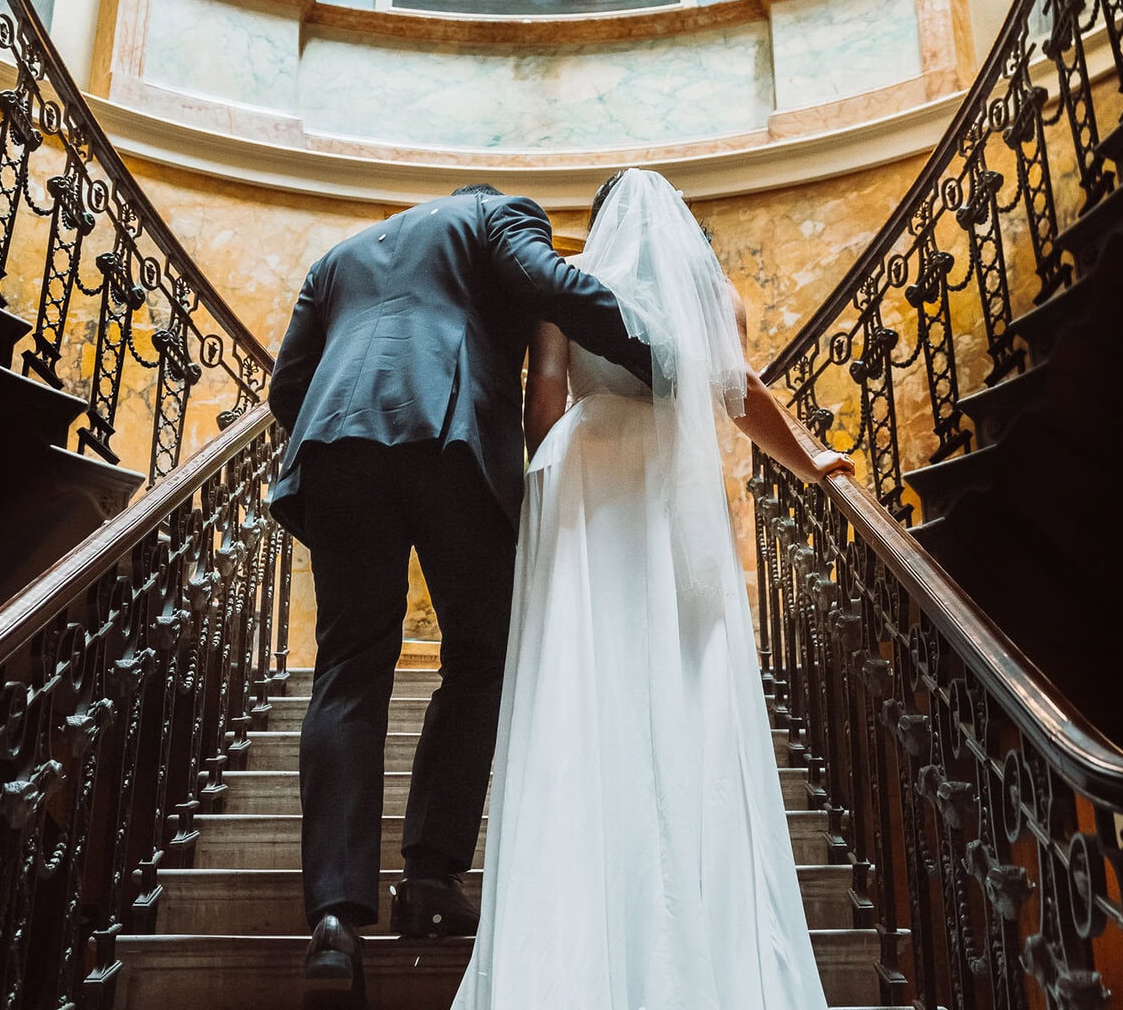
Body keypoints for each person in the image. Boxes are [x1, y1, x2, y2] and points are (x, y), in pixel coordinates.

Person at [450, 168, 852, 1008]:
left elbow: (546, 404)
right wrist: (812, 462)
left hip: (588, 483)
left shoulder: (571, 290)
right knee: (684, 675)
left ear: (599, 227)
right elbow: (743, 396)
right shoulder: (717, 296)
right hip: (672, 490)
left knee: (581, 682)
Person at [266, 183, 654, 1004]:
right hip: (450, 437)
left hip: (335, 447)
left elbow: (285, 388)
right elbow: (547, 283)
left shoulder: (337, 257)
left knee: (346, 670)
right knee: (481, 659)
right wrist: (661, 351)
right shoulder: (496, 215)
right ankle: (432, 879)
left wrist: (344, 432)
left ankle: (334, 922)